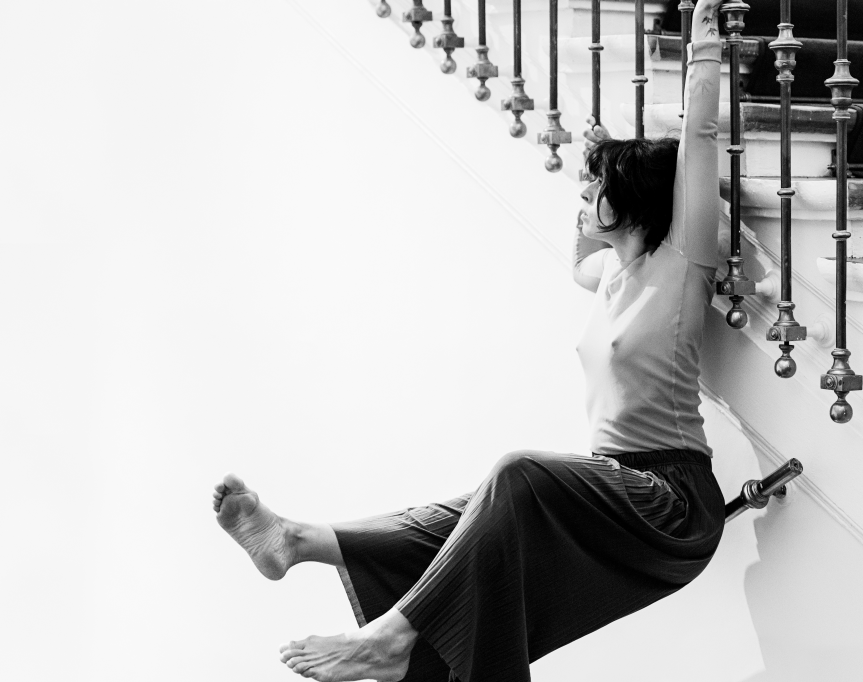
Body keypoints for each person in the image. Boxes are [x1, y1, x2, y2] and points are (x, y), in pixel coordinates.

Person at [212, 1, 727, 679]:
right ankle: (297, 540)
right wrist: (596, 174)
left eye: (598, 185)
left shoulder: (682, 264)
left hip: (671, 499)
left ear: (632, 200)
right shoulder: (610, 274)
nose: (584, 194)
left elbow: (699, 139)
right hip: (616, 483)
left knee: (518, 475)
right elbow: (578, 258)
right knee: (463, 516)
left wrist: (705, 44)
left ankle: (393, 639)